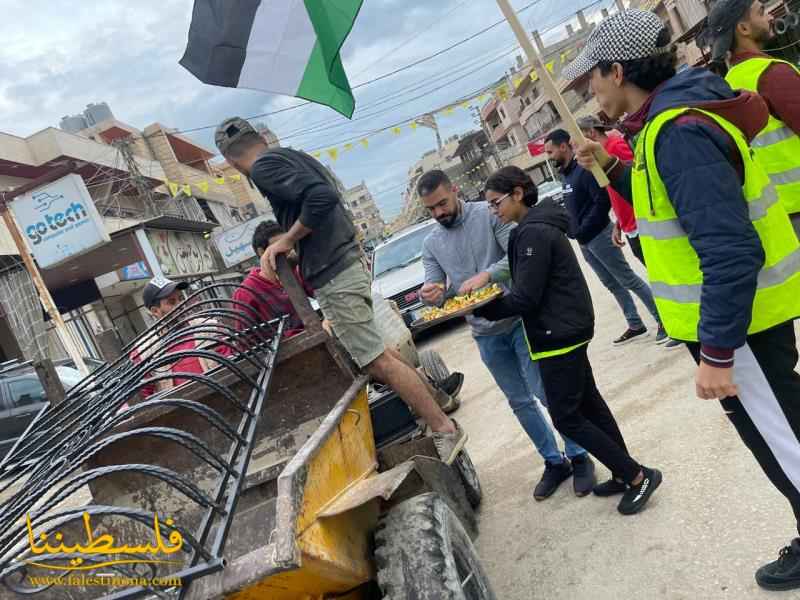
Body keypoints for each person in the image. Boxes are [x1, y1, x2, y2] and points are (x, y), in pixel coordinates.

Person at [566, 8, 800, 589]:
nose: (588, 90)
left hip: (738, 330)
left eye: (589, 77)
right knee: (781, 432)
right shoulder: (663, 124)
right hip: (739, 323)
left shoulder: (677, 129)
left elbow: (727, 247)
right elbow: (674, 210)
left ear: (616, 71)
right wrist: (613, 170)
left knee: (784, 439)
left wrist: (718, 351)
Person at [215, 117, 466, 463]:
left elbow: (321, 198)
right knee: (381, 353)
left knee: (376, 362)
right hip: (345, 264)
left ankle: (443, 429)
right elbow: (324, 199)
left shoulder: (264, 168)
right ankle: (438, 404)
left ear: (230, 163)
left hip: (335, 275)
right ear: (260, 137)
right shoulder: (292, 156)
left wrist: (287, 239)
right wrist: (297, 247)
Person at [474, 166, 662, 515]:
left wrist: (483, 308)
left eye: (495, 202)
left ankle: (639, 476)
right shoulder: (531, 228)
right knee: (591, 406)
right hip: (563, 328)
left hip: (557, 333)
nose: (493, 211)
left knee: (566, 416)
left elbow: (526, 297)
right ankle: (625, 472)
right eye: (489, 206)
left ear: (518, 193)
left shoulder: (534, 233)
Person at [417, 169, 596, 500]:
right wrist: (431, 292)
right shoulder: (431, 243)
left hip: (517, 320)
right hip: (484, 332)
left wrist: (485, 274)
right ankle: (553, 461)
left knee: (546, 392)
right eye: (431, 209)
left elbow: (515, 257)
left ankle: (579, 454)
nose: (439, 213)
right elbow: (438, 289)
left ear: (454, 190)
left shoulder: (490, 214)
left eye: (442, 203)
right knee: (519, 401)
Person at [235, 218, 464, 401]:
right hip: (288, 363)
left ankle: (431, 391)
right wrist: (313, 331)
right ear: (261, 253)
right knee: (374, 359)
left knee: (377, 348)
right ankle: (428, 394)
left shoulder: (293, 274)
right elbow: (249, 347)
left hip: (320, 343)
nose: (285, 256)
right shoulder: (247, 293)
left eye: (287, 249)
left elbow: (324, 291)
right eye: (278, 252)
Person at [544, 128, 666, 346]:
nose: (549, 157)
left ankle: (663, 320)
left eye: (550, 151)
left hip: (599, 235)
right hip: (585, 242)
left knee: (628, 279)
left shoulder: (585, 169)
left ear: (563, 146)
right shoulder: (567, 175)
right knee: (611, 283)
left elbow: (601, 201)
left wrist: (584, 229)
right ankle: (635, 323)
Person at [578, 116, 683, 350]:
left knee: (664, 276)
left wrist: (634, 218)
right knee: (657, 275)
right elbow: (617, 192)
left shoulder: (615, 146)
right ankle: (672, 321)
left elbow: (634, 182)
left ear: (591, 133)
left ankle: (672, 323)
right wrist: (619, 223)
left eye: (580, 139)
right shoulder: (603, 152)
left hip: (643, 224)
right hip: (630, 225)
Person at [706, 0, 800, 238]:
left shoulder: (727, 85)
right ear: (744, 29)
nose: (769, 17)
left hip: (776, 213)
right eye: (761, 12)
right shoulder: (773, 73)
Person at [130, 277, 220, 398]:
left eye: (181, 299)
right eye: (172, 302)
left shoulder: (210, 328)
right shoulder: (143, 352)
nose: (181, 305)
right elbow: (144, 398)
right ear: (155, 311)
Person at [233, 219, 317, 339]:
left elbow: (321, 294)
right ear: (262, 252)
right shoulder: (245, 292)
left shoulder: (296, 272)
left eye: (287, 246)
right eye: (278, 249)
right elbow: (245, 341)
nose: (287, 252)